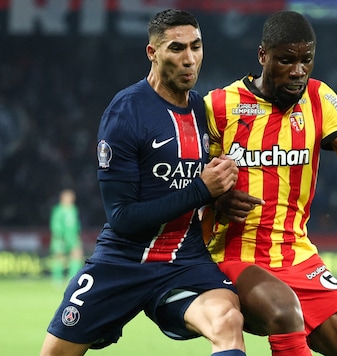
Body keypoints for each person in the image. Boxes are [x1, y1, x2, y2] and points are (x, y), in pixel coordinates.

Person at [202, 10, 337, 356]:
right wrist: (213, 200)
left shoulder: (318, 99)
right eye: (287, 60)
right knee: (283, 311)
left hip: (299, 258)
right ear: (263, 56)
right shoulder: (219, 106)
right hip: (235, 256)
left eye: (306, 60)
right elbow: (186, 183)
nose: (298, 71)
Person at [40, 9, 246, 356]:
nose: (189, 59)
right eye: (177, 48)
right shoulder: (126, 112)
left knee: (227, 320)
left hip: (185, 260)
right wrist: (201, 190)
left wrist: (217, 197)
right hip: (122, 262)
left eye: (196, 47)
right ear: (152, 53)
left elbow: (195, 186)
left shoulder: (201, 110)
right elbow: (122, 217)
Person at [48, 189, 84, 284]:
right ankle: (57, 279)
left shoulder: (73, 209)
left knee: (77, 255)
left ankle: (73, 278)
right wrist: (60, 236)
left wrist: (77, 234)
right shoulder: (58, 210)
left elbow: (76, 224)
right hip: (60, 238)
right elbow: (55, 225)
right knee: (59, 257)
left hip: (73, 237)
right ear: (63, 198)